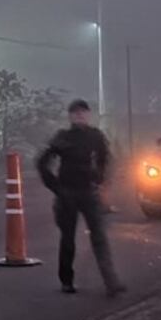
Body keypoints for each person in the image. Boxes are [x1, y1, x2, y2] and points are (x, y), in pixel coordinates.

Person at [37, 99, 126, 297]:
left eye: (83, 112)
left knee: (99, 237)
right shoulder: (63, 137)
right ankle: (66, 281)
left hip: (88, 192)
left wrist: (101, 179)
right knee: (68, 239)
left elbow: (105, 158)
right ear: (70, 116)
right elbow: (42, 162)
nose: (79, 115)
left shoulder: (95, 136)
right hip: (67, 193)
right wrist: (55, 187)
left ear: (88, 115)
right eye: (75, 112)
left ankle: (111, 281)